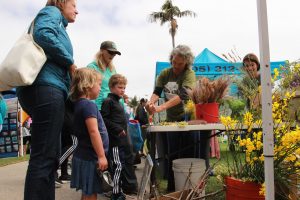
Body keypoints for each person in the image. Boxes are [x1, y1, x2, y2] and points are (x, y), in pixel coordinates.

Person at [15, 1, 78, 199]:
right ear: (61, 3)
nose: (77, 10)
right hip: (46, 89)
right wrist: (71, 63)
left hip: (46, 90)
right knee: (44, 158)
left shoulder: (58, 22)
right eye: (73, 4)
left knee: (49, 158)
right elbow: (43, 34)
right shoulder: (52, 12)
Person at [146, 44, 202, 191]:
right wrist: (150, 104)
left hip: (188, 118)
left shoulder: (189, 74)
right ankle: (172, 188)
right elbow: (157, 91)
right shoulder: (165, 73)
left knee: (189, 152)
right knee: (172, 154)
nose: (176, 66)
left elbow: (184, 94)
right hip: (172, 120)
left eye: (180, 63)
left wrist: (161, 107)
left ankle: (190, 188)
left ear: (186, 63)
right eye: (174, 62)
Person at [70, 68, 109, 200]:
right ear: (88, 85)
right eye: (98, 84)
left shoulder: (79, 105)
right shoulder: (88, 105)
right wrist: (102, 156)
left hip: (83, 155)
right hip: (90, 157)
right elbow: (93, 131)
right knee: (91, 193)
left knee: (87, 191)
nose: (100, 88)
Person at [101, 74, 129, 200]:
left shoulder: (118, 102)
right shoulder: (108, 101)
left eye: (124, 88)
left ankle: (118, 189)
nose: (122, 90)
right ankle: (116, 193)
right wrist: (118, 129)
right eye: (120, 87)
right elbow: (104, 120)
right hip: (115, 141)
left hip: (121, 141)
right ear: (112, 87)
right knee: (118, 166)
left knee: (119, 165)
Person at [87, 40, 121, 111]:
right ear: (102, 51)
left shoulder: (113, 70)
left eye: (115, 53)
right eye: (110, 52)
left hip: (113, 108)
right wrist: (92, 109)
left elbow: (117, 89)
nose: (113, 55)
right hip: (99, 108)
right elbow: (88, 90)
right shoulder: (92, 67)